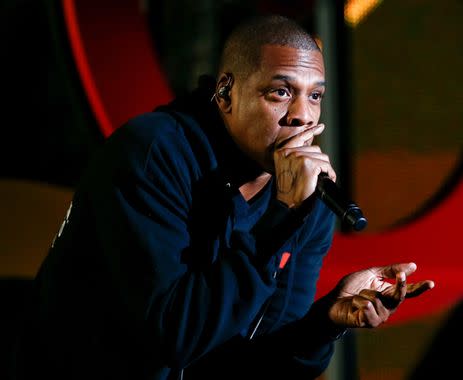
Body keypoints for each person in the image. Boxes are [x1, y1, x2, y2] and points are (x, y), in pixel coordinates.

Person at [13, 13, 434, 380]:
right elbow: (174, 337)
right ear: (226, 92)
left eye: (316, 95)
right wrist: (282, 217)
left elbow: (260, 364)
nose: (302, 115)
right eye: (281, 92)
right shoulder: (154, 154)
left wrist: (325, 323)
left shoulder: (306, 198)